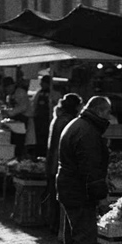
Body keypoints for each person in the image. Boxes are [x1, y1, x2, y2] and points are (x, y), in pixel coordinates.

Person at [56, 95, 112, 244]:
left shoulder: (77, 124)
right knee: (85, 236)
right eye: (107, 112)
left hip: (68, 187)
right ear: (100, 111)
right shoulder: (88, 132)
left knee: (73, 236)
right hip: (78, 191)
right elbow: (91, 169)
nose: (109, 117)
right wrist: (101, 196)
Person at [45, 92, 83, 234]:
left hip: (53, 162)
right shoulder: (68, 121)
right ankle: (57, 226)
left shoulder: (58, 118)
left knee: (54, 195)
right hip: (60, 163)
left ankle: (53, 223)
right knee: (59, 197)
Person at [2, 76, 31, 158]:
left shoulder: (20, 92)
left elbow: (23, 107)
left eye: (7, 87)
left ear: (12, 86)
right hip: (14, 120)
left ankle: (20, 155)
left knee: (21, 140)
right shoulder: (9, 95)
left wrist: (10, 113)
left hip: (23, 119)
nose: (7, 90)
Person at [31, 74, 53, 158]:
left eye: (43, 83)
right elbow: (34, 104)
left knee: (46, 139)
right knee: (38, 139)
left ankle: (45, 155)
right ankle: (38, 154)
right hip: (39, 120)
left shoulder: (53, 93)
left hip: (48, 120)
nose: (41, 84)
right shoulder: (39, 93)